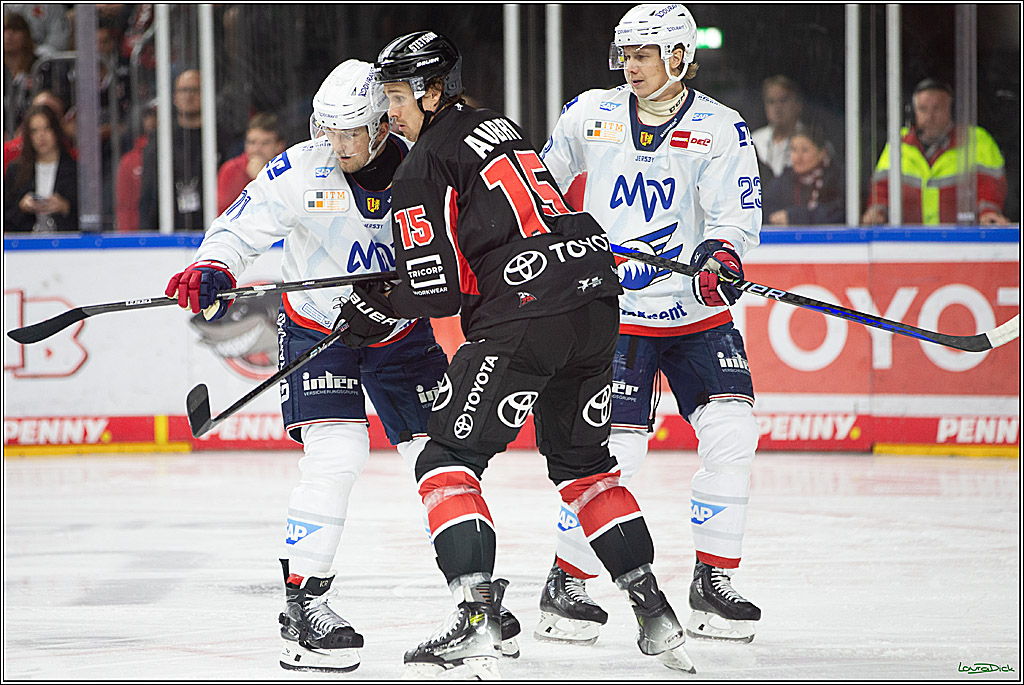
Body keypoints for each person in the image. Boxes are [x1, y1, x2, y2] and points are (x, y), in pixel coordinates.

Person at [344, 30, 696, 678]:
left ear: (429, 91)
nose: (389, 113)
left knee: (445, 457)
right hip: (594, 303)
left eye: (396, 97)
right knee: (586, 466)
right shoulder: (498, 126)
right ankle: (656, 612)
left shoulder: (420, 167)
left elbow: (436, 289)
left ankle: (476, 618)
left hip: (527, 313)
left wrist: (373, 306)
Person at [163, 59, 519, 674]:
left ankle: (473, 596)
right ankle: (304, 604)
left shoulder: (425, 163)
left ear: (383, 125)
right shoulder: (304, 166)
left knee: (443, 454)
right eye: (325, 129)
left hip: (401, 335)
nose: (334, 145)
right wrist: (216, 266)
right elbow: (239, 227)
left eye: (349, 132)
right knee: (336, 455)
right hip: (314, 331)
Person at [539, 3, 763, 646]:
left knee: (732, 433)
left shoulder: (722, 128)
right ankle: (567, 583)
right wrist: (565, 237)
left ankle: (713, 582)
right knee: (616, 455)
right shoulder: (589, 113)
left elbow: (735, 214)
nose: (631, 66)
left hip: (698, 314)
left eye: (645, 54)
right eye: (627, 54)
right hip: (616, 318)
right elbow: (542, 187)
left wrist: (720, 255)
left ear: (681, 57)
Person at [862, 78, 1009, 226]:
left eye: (937, 108)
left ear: (950, 110)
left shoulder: (977, 140)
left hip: (962, 241)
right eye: (923, 109)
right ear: (914, 113)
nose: (930, 116)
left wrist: (988, 213)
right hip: (909, 242)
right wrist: (877, 212)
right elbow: (881, 188)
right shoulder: (899, 143)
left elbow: (990, 187)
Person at [138, 68, 207, 231]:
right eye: (184, 90)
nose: (189, 96)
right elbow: (149, 196)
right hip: (170, 232)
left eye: (195, 90)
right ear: (175, 97)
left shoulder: (221, 139)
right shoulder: (160, 142)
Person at [4, 102, 77, 232]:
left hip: (65, 246)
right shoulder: (15, 170)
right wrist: (21, 207)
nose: (41, 136)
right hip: (26, 246)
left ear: (56, 131)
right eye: (34, 131)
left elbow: (87, 218)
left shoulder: (74, 169)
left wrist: (65, 207)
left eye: (46, 128)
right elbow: (6, 218)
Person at [762, 123, 845, 225]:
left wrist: (796, 217)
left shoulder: (836, 178)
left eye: (805, 150)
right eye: (793, 150)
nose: (798, 157)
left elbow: (841, 212)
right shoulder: (782, 181)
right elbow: (764, 210)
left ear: (821, 152)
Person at [216, 112, 287, 215]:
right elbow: (224, 215)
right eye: (252, 142)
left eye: (265, 143)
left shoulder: (290, 168)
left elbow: (286, 211)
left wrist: (262, 178)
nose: (257, 149)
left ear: (279, 146)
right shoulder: (230, 170)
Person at [751, 74, 805, 182]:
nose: (778, 107)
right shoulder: (754, 141)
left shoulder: (812, 141)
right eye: (771, 101)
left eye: (783, 100)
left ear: (798, 104)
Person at [115, 99, 157, 231]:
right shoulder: (129, 161)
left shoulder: (179, 152)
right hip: (141, 238)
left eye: (156, 115)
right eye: (149, 115)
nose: (153, 120)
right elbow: (125, 207)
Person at [3, 11, 37, 139]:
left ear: (25, 35)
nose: (8, 35)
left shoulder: (40, 66)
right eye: (4, 30)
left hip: (31, 136)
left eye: (15, 30)